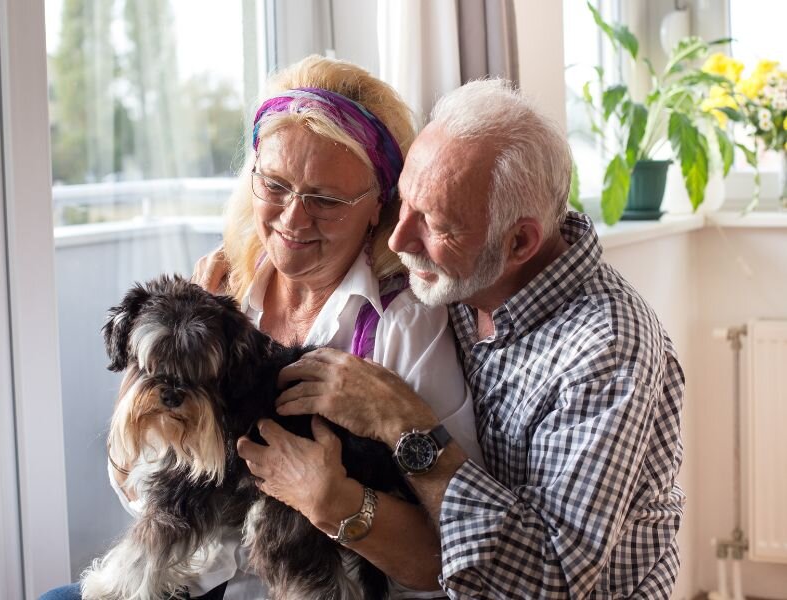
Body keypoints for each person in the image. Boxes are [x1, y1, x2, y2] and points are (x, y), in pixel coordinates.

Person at [41, 55, 482, 600]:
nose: (294, 220)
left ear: (378, 206)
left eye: (326, 198)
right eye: (275, 184)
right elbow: (139, 480)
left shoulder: (405, 327)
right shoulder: (218, 291)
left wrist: (338, 501)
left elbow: (454, 555)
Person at [270, 79, 687, 599]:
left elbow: (551, 579)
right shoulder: (464, 281)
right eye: (403, 204)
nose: (399, 241)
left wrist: (404, 424)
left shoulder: (607, 350)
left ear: (519, 241)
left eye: (436, 225)